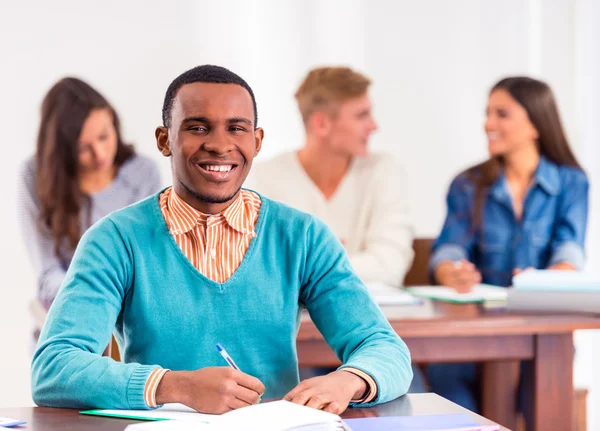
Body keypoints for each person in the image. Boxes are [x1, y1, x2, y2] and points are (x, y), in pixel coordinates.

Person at [31, 65, 413, 415]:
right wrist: (175, 386)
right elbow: (54, 366)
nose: (219, 144)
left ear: (257, 141)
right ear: (164, 140)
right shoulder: (115, 240)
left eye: (236, 128)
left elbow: (386, 349)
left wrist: (347, 380)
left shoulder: (304, 237)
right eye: (198, 127)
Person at [428, 76, 589, 412]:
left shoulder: (572, 182)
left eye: (502, 114)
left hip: (539, 328)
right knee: (448, 380)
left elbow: (569, 248)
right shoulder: (467, 183)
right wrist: (450, 272)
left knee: (547, 381)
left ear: (535, 123)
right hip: (473, 330)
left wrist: (548, 279)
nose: (489, 124)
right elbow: (449, 247)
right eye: (487, 113)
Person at [245, 66, 414, 288]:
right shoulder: (262, 178)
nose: (374, 126)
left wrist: (309, 263)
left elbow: (390, 266)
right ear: (321, 124)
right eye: (361, 115)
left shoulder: (384, 170)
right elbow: (255, 268)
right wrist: (338, 263)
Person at [19, 77, 162, 321]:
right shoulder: (34, 175)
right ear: (62, 149)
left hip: (128, 320)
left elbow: (148, 262)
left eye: (105, 137)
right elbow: (47, 274)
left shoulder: (143, 172)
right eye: (83, 147)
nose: (100, 154)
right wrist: (92, 291)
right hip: (68, 316)